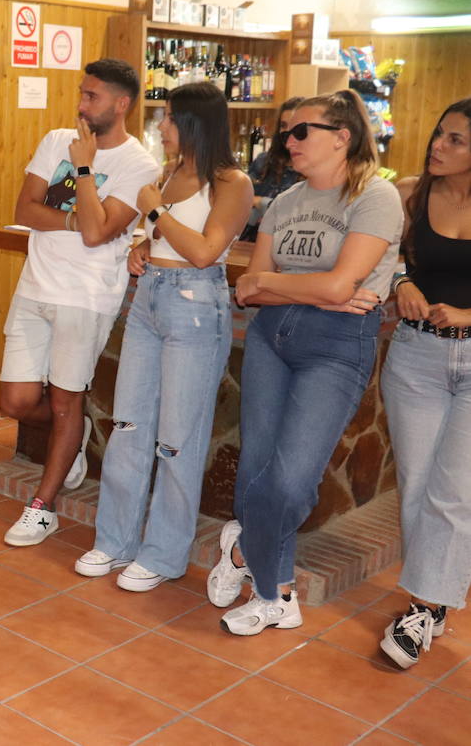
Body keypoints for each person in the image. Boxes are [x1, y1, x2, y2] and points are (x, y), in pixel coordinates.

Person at [210, 90, 403, 635]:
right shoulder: (282, 203)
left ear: (342, 137)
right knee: (255, 469)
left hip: (337, 345)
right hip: (272, 337)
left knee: (291, 480)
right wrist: (313, 289)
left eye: (301, 132)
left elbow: (337, 285)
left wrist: (279, 283)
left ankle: (245, 550)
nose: (288, 142)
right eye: (285, 133)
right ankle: (277, 593)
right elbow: (249, 289)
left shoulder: (376, 196)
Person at [77, 83, 253, 590]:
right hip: (150, 299)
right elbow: (165, 240)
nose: (161, 126)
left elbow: (204, 251)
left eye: (170, 118)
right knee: (129, 425)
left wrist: (154, 214)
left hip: (196, 308)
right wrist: (142, 247)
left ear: (196, 122)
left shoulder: (231, 182)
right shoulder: (168, 173)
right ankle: (114, 541)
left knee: (178, 439)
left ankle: (163, 554)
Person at [0, 58, 161, 546]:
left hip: (86, 297)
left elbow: (98, 233)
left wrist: (85, 169)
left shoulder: (140, 165)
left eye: (91, 96)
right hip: (35, 287)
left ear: (121, 103)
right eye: (82, 94)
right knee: (17, 400)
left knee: (66, 401)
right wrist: (70, 219)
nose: (81, 104)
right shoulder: (54, 142)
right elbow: (23, 209)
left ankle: (43, 507)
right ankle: (75, 440)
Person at [378, 97, 471, 668]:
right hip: (415, 358)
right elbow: (384, 252)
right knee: (415, 484)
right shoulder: (412, 192)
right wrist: (401, 281)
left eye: (455, 139)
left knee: (454, 490)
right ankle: (433, 602)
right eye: (440, 134)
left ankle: (423, 605)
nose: (438, 144)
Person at [240, 96, 306, 242]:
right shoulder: (264, 161)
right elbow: (241, 203)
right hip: (252, 244)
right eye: (283, 125)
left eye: (296, 126)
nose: (288, 132)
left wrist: (260, 202)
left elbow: (298, 215)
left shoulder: (311, 167)